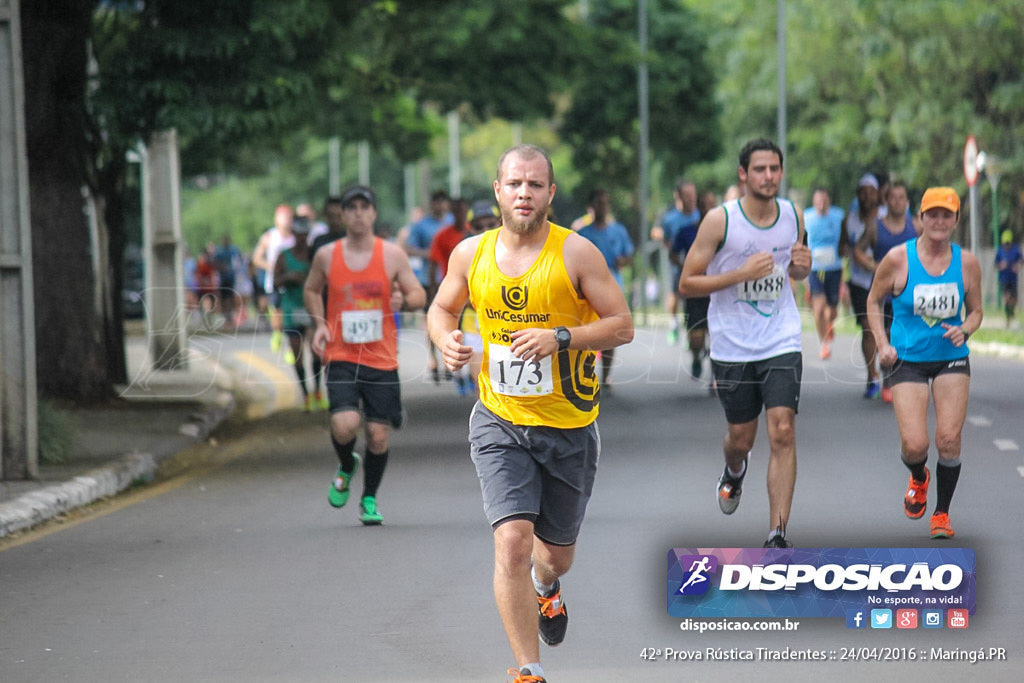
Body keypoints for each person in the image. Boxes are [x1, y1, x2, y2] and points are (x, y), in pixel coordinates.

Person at [427, 144, 633, 683]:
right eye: (514, 184)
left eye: (535, 185)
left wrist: (561, 337)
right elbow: (443, 307)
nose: (524, 193)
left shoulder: (577, 254)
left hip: (568, 427)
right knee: (513, 540)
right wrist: (443, 339)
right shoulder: (471, 255)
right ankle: (528, 669)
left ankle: (548, 588)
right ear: (498, 191)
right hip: (499, 418)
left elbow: (622, 325)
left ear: (550, 194)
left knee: (555, 557)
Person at [678, 138, 812, 549]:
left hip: (781, 337)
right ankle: (734, 470)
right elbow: (687, 283)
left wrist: (805, 269)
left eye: (774, 169)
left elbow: (797, 269)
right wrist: (740, 273)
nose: (768, 177)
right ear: (743, 174)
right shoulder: (721, 221)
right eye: (760, 169)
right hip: (732, 344)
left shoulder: (793, 215)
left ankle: (777, 534)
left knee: (783, 430)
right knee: (741, 438)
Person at [303, 185, 426, 526]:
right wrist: (320, 324)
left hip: (381, 358)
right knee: (346, 424)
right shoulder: (327, 255)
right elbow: (311, 289)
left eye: (364, 207)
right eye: (351, 207)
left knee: (378, 435)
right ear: (342, 215)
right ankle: (346, 464)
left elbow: (418, 293)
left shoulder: (392, 255)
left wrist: (406, 300)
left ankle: (369, 498)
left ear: (373, 214)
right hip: (341, 354)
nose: (358, 213)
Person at [865, 187, 982, 540]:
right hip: (908, 359)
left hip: (950, 359)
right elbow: (873, 301)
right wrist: (882, 345)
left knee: (948, 438)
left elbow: (976, 311)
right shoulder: (898, 259)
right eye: (932, 214)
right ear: (920, 218)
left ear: (956, 220)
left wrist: (965, 329)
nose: (939, 221)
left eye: (947, 215)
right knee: (915, 445)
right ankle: (918, 476)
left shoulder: (967, 262)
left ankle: (942, 513)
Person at [856, 180, 917, 403]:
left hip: (910, 292)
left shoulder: (916, 226)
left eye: (902, 197)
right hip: (883, 292)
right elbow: (858, 250)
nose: (897, 202)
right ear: (886, 201)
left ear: (907, 202)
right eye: (893, 197)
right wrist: (875, 266)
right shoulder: (875, 226)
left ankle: (907, 378)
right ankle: (888, 380)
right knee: (887, 334)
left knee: (907, 335)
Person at [577, 189, 635, 387]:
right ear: (591, 207)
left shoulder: (618, 231)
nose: (602, 207)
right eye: (598, 203)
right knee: (586, 330)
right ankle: (585, 370)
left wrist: (623, 261)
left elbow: (630, 255)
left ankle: (606, 375)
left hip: (612, 284)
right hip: (585, 290)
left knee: (610, 329)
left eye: (605, 203)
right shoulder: (583, 234)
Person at [401, 189, 452, 383]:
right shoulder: (421, 226)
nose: (439, 205)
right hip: (427, 279)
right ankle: (433, 360)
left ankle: (448, 359)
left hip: (449, 278)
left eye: (442, 201)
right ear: (431, 204)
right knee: (430, 320)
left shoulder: (451, 223)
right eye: (436, 201)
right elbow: (408, 247)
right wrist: (430, 255)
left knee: (451, 319)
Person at [274, 217, 324, 410]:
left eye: (305, 233)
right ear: (293, 233)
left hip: (312, 308)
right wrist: (288, 277)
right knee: (297, 354)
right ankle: (305, 394)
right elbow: (274, 283)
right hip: (291, 309)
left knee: (316, 351)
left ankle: (318, 390)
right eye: (298, 232)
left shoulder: (316, 256)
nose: (302, 237)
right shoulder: (283, 256)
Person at [845, 174, 883, 398]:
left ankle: (889, 371)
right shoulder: (849, 220)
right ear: (858, 194)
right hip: (860, 282)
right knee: (868, 328)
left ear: (878, 195)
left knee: (887, 329)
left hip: (886, 282)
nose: (868, 196)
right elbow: (845, 246)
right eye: (863, 191)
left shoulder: (886, 217)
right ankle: (873, 376)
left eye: (872, 191)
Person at [671, 186, 712, 380]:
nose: (708, 209)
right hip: (695, 288)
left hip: (717, 288)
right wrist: (685, 267)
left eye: (713, 206)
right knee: (696, 335)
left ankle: (716, 373)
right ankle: (697, 356)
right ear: (699, 207)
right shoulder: (687, 231)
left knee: (717, 332)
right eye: (705, 206)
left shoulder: (725, 232)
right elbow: (673, 253)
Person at [803, 188, 846, 360]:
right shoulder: (806, 217)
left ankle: (829, 324)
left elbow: (846, 239)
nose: (821, 204)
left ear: (829, 201)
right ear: (813, 202)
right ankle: (824, 344)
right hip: (816, 269)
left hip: (834, 268)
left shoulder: (839, 216)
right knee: (819, 309)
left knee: (832, 311)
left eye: (824, 201)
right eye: (818, 201)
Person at [659, 179, 701, 346]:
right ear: (678, 196)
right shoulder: (670, 219)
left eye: (693, 195)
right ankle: (674, 323)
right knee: (675, 293)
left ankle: (692, 332)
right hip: (678, 265)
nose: (691, 199)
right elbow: (665, 239)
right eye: (687, 195)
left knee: (692, 301)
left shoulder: (702, 216)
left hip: (699, 267)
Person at [252, 204, 296, 355]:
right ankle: (277, 333)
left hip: (292, 283)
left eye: (289, 217)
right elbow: (256, 258)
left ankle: (292, 346)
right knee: (277, 313)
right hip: (275, 282)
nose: (286, 220)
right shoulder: (269, 236)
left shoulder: (297, 236)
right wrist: (271, 266)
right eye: (283, 217)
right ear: (276, 219)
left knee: (290, 314)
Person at [995, 229, 1022, 327]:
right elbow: (996, 264)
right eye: (1005, 243)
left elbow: (1021, 261)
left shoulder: (1015, 249)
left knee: (1014, 299)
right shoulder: (1000, 250)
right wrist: (1000, 265)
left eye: (1008, 243)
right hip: (1004, 279)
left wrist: (1017, 266)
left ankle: (1012, 313)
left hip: (1013, 278)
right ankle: (1008, 319)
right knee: (1007, 298)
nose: (1007, 245)